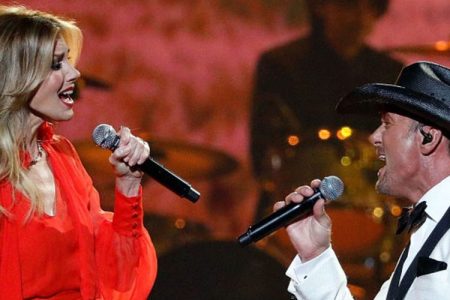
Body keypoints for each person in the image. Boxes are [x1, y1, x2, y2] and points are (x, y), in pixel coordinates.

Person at [0, 6, 157, 299]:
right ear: (18, 77)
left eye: (69, 62)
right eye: (57, 64)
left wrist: (129, 184)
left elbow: (116, 276)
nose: (75, 72)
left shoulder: (62, 156)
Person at [275, 61, 450, 299]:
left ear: (428, 138)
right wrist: (315, 255)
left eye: (387, 124)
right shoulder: (426, 227)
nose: (373, 137)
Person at [250, 0, 404, 220]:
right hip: (295, 203)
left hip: (369, 209)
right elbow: (264, 154)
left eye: (369, 7)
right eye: (349, 6)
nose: (360, 17)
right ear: (320, 7)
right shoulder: (280, 65)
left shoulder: (389, 71)